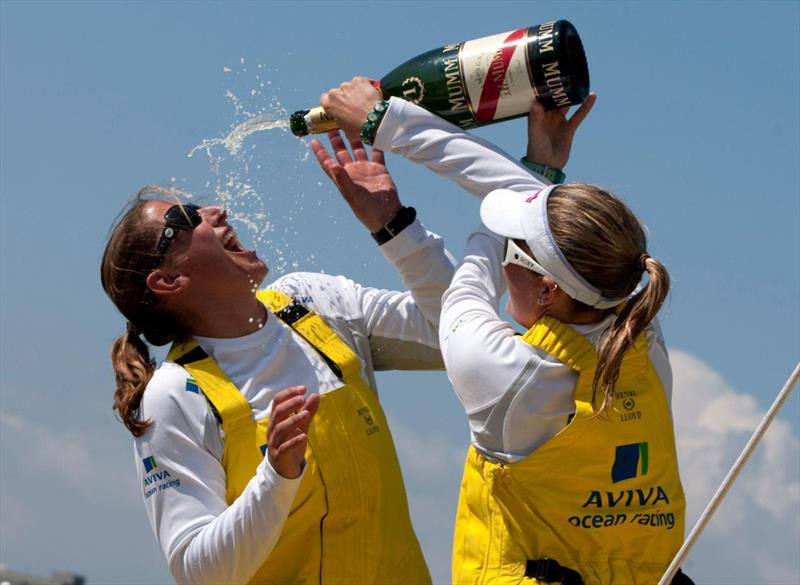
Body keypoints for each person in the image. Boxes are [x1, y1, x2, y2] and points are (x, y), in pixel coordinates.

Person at [322, 78, 689, 585]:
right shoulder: (644, 338)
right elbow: (512, 204)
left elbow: (476, 254)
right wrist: (390, 126)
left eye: (513, 250)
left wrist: (385, 122)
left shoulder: (509, 373)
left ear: (546, 292)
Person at [100, 113, 457, 582]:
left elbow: (458, 329)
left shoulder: (312, 301)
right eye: (188, 218)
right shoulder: (175, 393)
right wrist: (275, 477)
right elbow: (196, 570)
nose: (217, 211)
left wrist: (394, 226)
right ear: (168, 280)